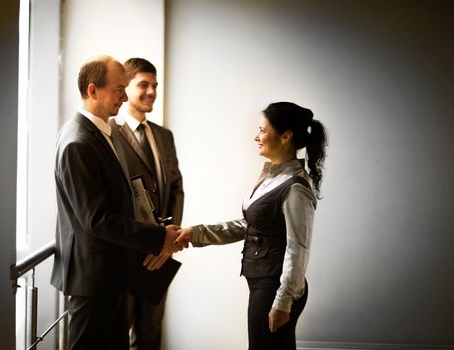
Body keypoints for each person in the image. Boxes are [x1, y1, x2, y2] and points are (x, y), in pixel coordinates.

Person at [50, 55, 182, 350]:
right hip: (94, 279)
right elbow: (96, 219)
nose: (125, 97)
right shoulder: (78, 141)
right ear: (93, 90)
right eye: (118, 89)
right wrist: (158, 237)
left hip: (111, 274)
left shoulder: (99, 132)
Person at [175, 102, 327, 350]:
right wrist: (196, 233)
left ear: (286, 136)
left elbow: (298, 249)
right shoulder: (271, 175)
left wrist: (283, 301)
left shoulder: (296, 187)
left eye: (262, 130)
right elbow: (249, 225)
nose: (256, 136)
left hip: (276, 287)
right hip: (264, 283)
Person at [109, 58, 184, 350]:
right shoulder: (109, 133)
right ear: (125, 88)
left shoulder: (164, 136)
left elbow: (176, 189)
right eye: (143, 85)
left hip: (159, 253)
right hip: (123, 253)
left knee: (151, 336)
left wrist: (168, 242)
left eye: (154, 85)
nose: (151, 91)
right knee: (117, 335)